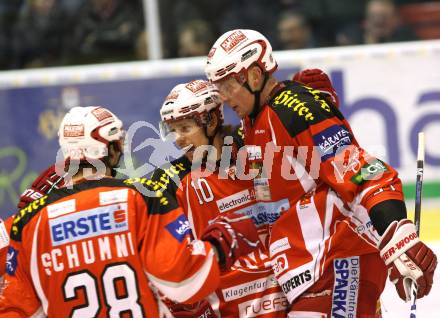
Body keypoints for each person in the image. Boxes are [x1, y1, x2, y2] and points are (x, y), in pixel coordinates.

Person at [204, 29, 437, 316]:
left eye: (228, 86)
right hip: (310, 272)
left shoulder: (294, 109)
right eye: (219, 88)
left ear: (254, 75)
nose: (225, 98)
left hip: (339, 260)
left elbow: (362, 170)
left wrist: (397, 232)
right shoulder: (252, 123)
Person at [0, 106, 260, 317]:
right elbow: (183, 282)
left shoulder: (27, 221)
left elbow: (15, 310)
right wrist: (217, 245)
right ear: (110, 149)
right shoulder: (141, 198)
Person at [155, 79, 289, 317]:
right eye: (174, 130)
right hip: (226, 302)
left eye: (185, 128)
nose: (178, 139)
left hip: (283, 286)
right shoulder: (169, 179)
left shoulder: (252, 147)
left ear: (213, 121)